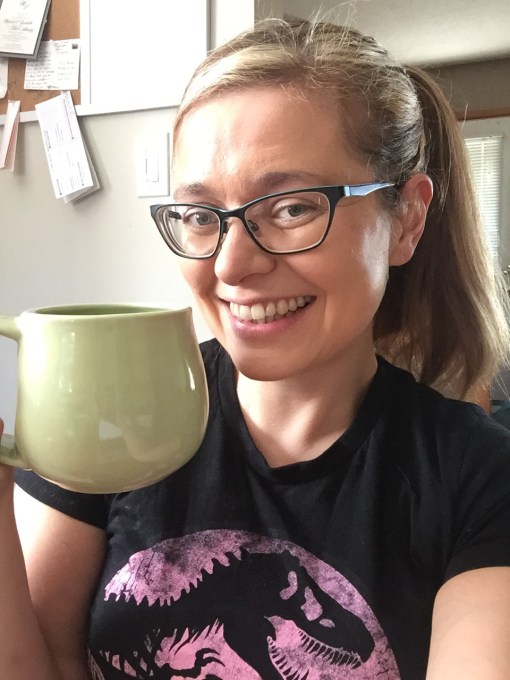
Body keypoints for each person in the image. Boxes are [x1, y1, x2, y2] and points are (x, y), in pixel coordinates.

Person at [1, 17, 510, 680]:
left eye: (292, 208)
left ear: (406, 219)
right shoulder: (112, 412)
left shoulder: (479, 478)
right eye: (200, 215)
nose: (231, 265)